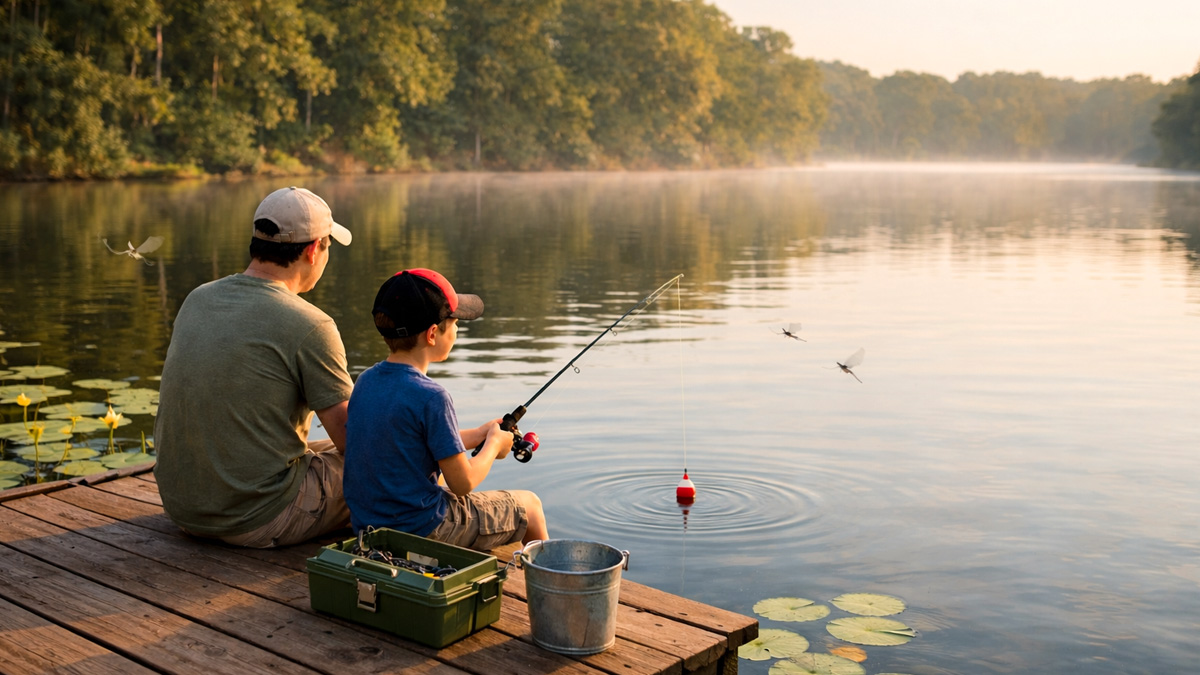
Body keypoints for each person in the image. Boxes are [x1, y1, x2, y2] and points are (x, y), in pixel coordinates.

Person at [154, 186, 355, 548]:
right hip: (259, 516)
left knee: (322, 449)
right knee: (399, 466)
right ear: (313, 250)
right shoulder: (311, 325)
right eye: (328, 248)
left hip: (184, 509)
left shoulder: (198, 299)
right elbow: (353, 440)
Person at [343, 268, 548, 551]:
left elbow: (410, 440)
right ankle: (555, 587)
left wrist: (479, 433)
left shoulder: (366, 381)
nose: (457, 329)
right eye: (454, 323)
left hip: (370, 527)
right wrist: (492, 445)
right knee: (532, 506)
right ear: (431, 334)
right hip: (424, 530)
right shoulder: (432, 397)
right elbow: (462, 483)